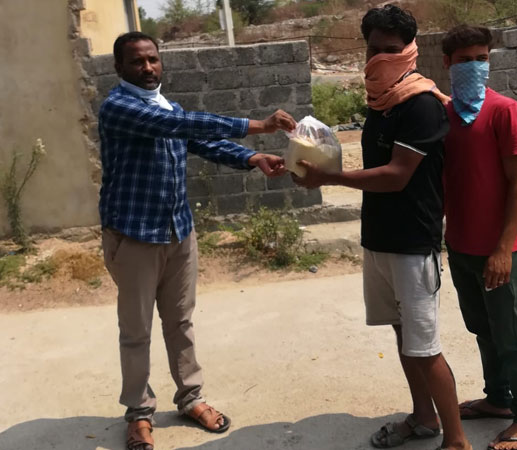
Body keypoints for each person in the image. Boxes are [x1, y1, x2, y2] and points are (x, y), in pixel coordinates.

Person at [99, 31, 296, 450]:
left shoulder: (165, 105)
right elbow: (179, 125)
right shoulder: (120, 107)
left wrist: (252, 157)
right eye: (137, 62)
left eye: (153, 59)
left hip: (178, 231)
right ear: (119, 68)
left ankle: (190, 397)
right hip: (134, 236)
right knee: (136, 331)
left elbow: (197, 139)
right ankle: (139, 413)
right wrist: (257, 126)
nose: (148, 68)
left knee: (181, 322)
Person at [293, 5, 470, 450]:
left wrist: (330, 178)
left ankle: (457, 441)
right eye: (373, 49)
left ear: (409, 50)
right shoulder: (381, 102)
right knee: (403, 335)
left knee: (425, 348)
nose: (380, 58)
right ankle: (423, 417)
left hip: (413, 243)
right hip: (379, 239)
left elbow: (396, 175)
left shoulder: (421, 104)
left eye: (390, 49)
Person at [441, 25, 517, 450]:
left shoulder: (505, 110)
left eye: (481, 59)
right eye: (464, 60)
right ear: (447, 63)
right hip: (460, 245)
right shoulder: (445, 115)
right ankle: (498, 399)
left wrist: (503, 248)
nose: (474, 66)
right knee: (481, 327)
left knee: (508, 331)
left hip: (497, 249)